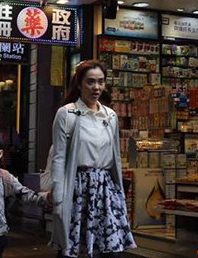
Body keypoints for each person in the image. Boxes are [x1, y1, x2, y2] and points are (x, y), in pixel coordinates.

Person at [51, 60, 136, 257]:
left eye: (101, 81)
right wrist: (58, 198)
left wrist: (119, 194)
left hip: (106, 190)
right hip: (77, 189)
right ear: (79, 83)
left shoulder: (111, 116)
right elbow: (59, 157)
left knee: (109, 249)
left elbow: (115, 156)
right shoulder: (66, 114)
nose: (96, 87)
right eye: (90, 82)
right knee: (71, 248)